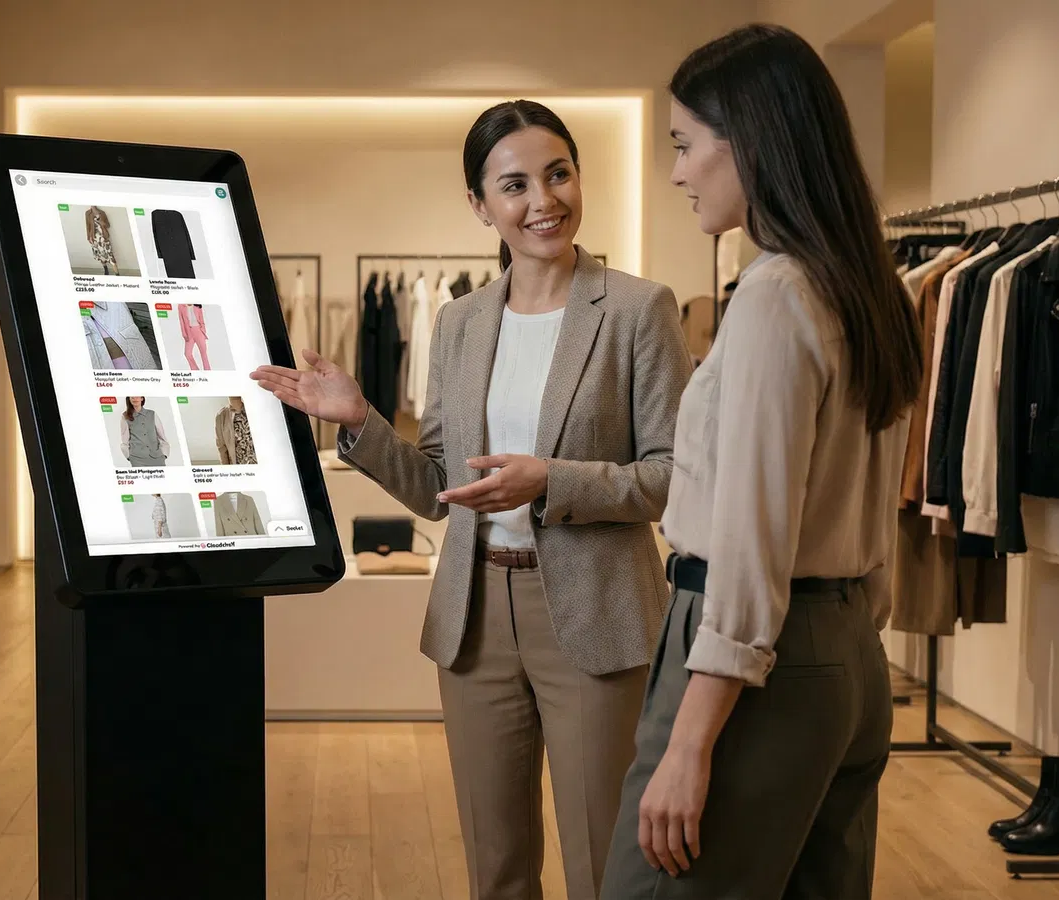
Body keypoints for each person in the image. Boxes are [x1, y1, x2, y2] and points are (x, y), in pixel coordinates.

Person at [252, 99, 693, 900]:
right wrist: (359, 421)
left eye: (558, 174)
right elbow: (436, 489)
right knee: (496, 868)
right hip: (474, 614)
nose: (543, 201)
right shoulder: (458, 323)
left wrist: (551, 481)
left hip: (594, 614)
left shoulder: (638, 309)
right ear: (480, 205)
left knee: (605, 865)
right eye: (515, 184)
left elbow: (674, 475)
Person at [600, 24, 923, 900]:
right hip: (846, 652)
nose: (675, 171)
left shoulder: (777, 295)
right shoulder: (870, 286)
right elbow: (870, 501)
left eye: (684, 145)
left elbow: (751, 533)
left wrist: (691, 743)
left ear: (748, 140)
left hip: (754, 658)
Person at [119, 396, 169, 467]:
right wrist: (129, 456)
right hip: (137, 459)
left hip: (157, 457)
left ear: (142, 398)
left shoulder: (152, 414)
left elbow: (161, 436)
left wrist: (164, 454)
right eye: (132, 397)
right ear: (129, 399)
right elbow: (124, 438)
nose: (135, 399)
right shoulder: (125, 416)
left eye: (137, 397)